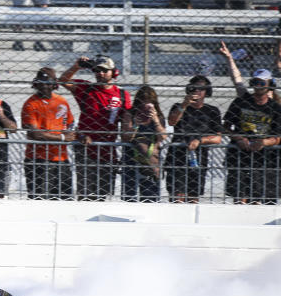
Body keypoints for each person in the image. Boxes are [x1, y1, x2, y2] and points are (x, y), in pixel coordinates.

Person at [59, 54, 132, 201]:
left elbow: (127, 121)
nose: (100, 73)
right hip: (85, 148)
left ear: (114, 72)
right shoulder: (86, 88)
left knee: (103, 195)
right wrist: (77, 66)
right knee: (85, 193)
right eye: (97, 70)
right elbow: (62, 81)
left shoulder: (123, 95)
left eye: (105, 70)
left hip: (107, 150)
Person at [220, 45, 281, 204]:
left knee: (261, 200)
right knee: (240, 198)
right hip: (241, 153)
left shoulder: (275, 107)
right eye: (254, 82)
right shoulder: (243, 101)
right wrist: (238, 137)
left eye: (261, 83)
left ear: (269, 84)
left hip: (265, 158)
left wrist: (263, 142)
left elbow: (278, 136)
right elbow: (237, 81)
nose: (257, 86)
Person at [163, 75, 223, 203]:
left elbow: (218, 138)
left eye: (201, 88)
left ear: (206, 91)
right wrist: (185, 104)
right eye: (194, 88)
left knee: (193, 197)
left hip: (198, 157)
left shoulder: (212, 111)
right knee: (177, 196)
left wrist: (200, 140)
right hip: (177, 156)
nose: (196, 91)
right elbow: (172, 122)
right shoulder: (178, 106)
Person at [21, 67, 76, 200]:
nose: (44, 86)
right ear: (36, 84)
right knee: (40, 200)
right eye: (41, 82)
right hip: (38, 159)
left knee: (65, 200)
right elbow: (35, 134)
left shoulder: (61, 101)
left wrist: (70, 132)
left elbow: (70, 123)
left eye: (48, 82)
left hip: (61, 159)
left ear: (54, 84)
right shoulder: (30, 104)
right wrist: (63, 137)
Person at [120, 84, 166, 202]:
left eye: (149, 103)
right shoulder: (130, 114)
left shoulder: (158, 116)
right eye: (142, 103)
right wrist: (135, 124)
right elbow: (125, 137)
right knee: (130, 198)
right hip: (131, 160)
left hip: (151, 163)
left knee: (150, 199)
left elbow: (162, 137)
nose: (145, 107)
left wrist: (155, 119)